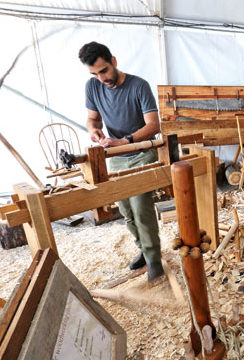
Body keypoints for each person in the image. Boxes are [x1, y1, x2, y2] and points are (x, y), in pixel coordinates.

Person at [78, 41, 163, 282]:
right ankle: (143, 250)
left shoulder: (139, 86)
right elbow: (92, 119)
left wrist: (125, 141)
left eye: (103, 70)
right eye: (94, 73)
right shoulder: (92, 86)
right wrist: (94, 131)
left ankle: (154, 259)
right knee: (125, 210)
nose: (101, 77)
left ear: (114, 61)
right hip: (115, 156)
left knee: (140, 207)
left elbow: (153, 126)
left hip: (141, 152)